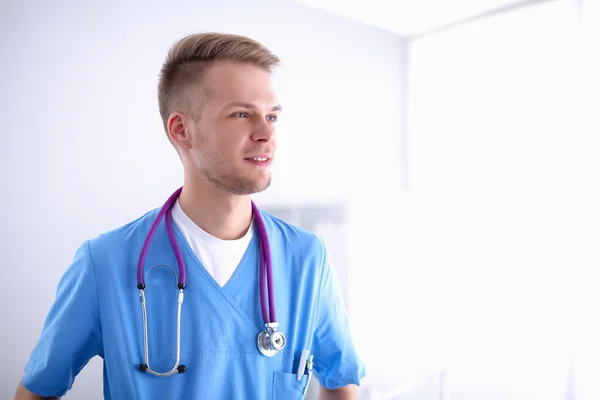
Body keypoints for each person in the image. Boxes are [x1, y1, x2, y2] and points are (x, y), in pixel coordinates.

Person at [14, 32, 365, 400]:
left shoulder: (306, 258)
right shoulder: (105, 263)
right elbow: (37, 392)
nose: (266, 134)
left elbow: (341, 382)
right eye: (242, 114)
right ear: (182, 129)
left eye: (272, 116)